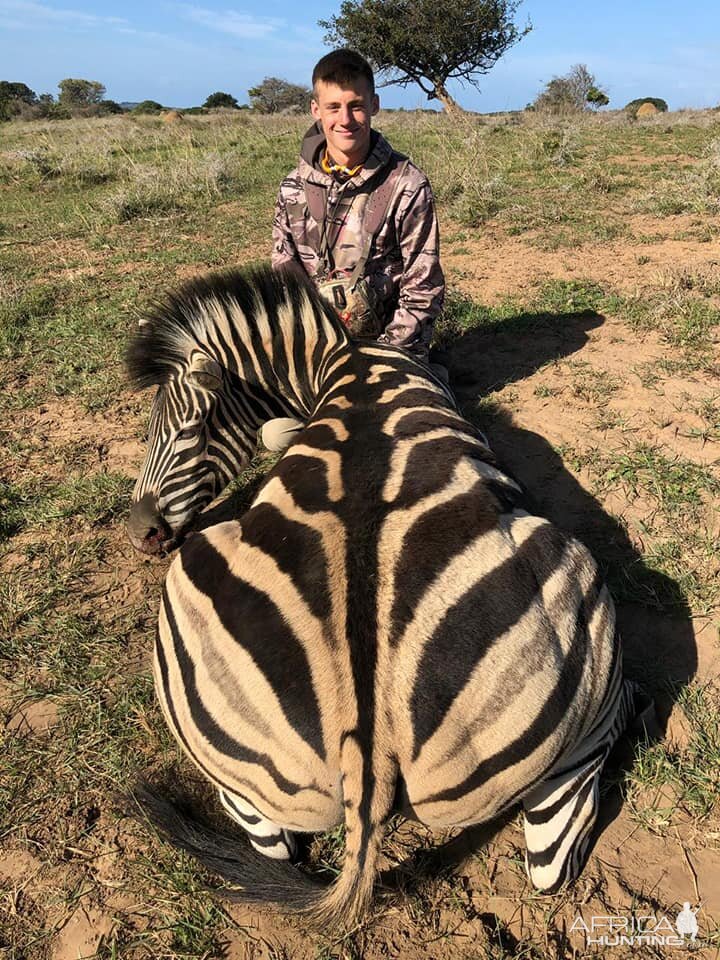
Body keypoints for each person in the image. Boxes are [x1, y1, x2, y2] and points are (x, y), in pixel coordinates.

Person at [264, 48, 445, 452]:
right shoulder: (292, 186)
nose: (345, 120)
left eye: (356, 106)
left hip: (386, 349)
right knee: (275, 435)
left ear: (375, 105)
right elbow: (283, 268)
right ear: (316, 110)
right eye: (333, 107)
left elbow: (424, 283)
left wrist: (389, 356)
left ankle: (423, 381)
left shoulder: (407, 185)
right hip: (317, 349)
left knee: (396, 437)